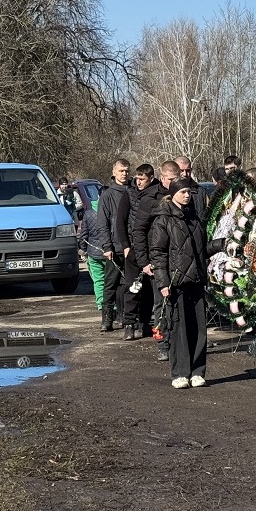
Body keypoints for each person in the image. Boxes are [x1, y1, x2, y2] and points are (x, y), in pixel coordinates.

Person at [148, 177, 211, 390]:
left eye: (189, 192)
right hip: (176, 283)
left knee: (199, 329)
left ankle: (197, 371)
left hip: (197, 280)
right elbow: (157, 254)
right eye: (183, 191)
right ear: (173, 193)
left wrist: (221, 245)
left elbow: (202, 248)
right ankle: (180, 373)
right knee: (179, 329)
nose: (187, 195)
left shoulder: (194, 217)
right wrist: (163, 282)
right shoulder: (163, 220)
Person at [132, 161, 178, 358]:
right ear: (162, 176)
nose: (173, 183)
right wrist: (144, 261)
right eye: (170, 179)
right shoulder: (150, 198)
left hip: (179, 260)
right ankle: (163, 344)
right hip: (157, 260)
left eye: (176, 180)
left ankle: (179, 341)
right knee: (160, 304)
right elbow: (139, 231)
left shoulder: (184, 196)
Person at [98, 159, 136, 339]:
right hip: (114, 246)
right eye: (121, 171)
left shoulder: (133, 191)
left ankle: (129, 317)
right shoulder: (107, 195)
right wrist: (107, 246)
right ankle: (107, 318)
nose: (124, 174)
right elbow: (102, 223)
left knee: (131, 284)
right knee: (110, 284)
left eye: (127, 171)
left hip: (132, 245)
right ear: (114, 172)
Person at [79, 193, 119, 331]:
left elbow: (84, 234)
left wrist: (83, 250)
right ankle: (113, 306)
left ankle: (102, 306)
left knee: (98, 281)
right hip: (110, 252)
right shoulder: (112, 210)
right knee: (112, 281)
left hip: (94, 253)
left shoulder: (89, 213)